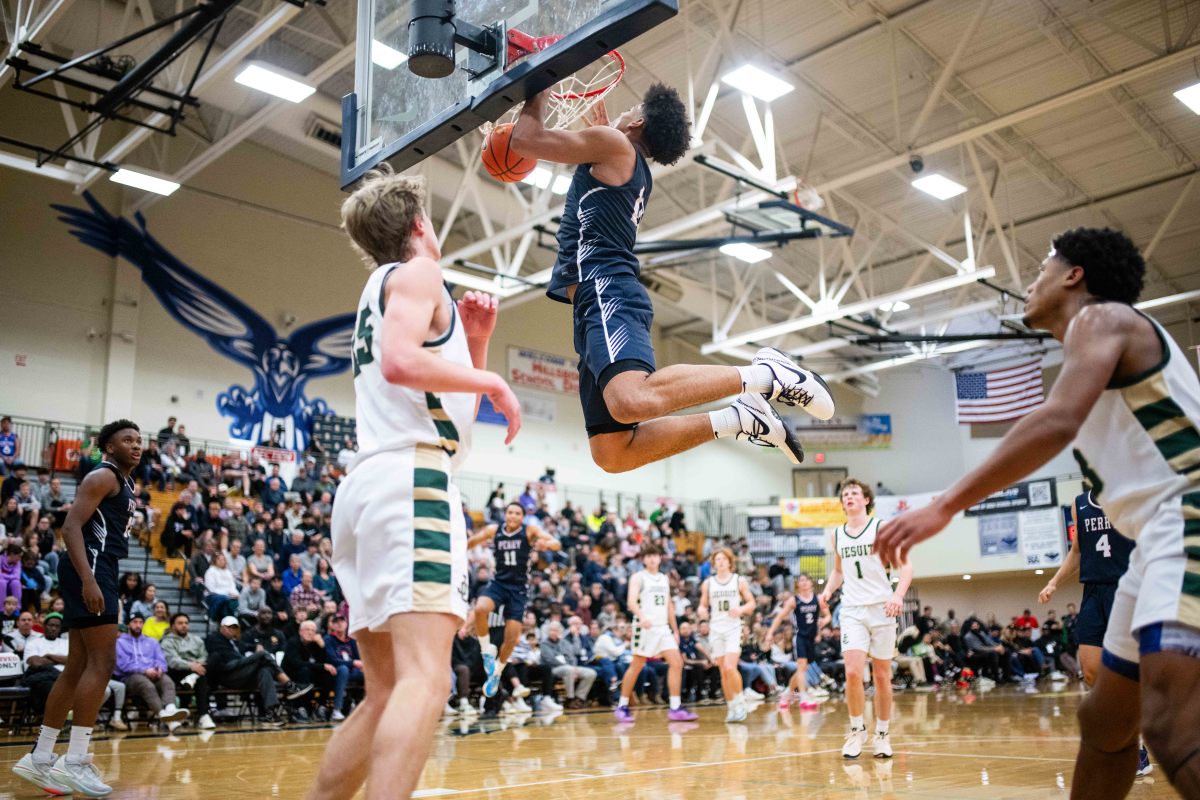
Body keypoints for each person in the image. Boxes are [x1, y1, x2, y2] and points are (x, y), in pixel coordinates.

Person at [877, 228, 1199, 799]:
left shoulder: (1102, 319)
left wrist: (946, 505)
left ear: (1075, 276)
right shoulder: (1095, 341)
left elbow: (1055, 421)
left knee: (1170, 722)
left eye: (1043, 268)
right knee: (1104, 723)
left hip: (1189, 516)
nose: (1032, 281)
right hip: (1154, 540)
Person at [307, 165, 520, 800]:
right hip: (412, 483)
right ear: (420, 225)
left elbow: (438, 399)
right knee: (429, 680)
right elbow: (403, 366)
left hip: (373, 485)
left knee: (384, 692)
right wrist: (496, 381)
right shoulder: (420, 273)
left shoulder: (385, 289)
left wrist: (476, 347)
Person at [510, 85, 833, 475]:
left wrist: (539, 83)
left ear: (638, 121)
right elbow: (583, 153)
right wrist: (597, 130)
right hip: (592, 301)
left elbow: (525, 141)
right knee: (613, 452)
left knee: (633, 401)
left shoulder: (615, 147)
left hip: (606, 289)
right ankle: (740, 420)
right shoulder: (619, 157)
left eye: (629, 109)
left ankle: (769, 374)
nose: (619, 113)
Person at [13, 420, 140, 797]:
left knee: (77, 666)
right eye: (126, 440)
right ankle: (75, 760)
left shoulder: (126, 481)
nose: (135, 445)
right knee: (102, 664)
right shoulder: (102, 476)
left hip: (100, 567)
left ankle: (40, 757)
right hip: (92, 567)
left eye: (138, 440)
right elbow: (70, 528)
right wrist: (88, 580)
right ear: (107, 447)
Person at [820, 478, 912, 759]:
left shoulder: (880, 528)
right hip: (852, 610)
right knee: (852, 672)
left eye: (854, 493)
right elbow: (839, 571)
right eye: (845, 493)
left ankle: (882, 734)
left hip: (882, 609)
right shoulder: (837, 534)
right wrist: (827, 590)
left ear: (866, 500)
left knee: (882, 676)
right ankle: (857, 729)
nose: (849, 496)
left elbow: (905, 566)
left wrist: (897, 596)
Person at [466, 501, 561, 697]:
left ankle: (497, 673)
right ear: (505, 514)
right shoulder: (494, 530)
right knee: (480, 609)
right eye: (510, 512)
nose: (513, 516)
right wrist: (458, 551)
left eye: (517, 513)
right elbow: (473, 541)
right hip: (499, 583)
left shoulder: (529, 530)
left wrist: (548, 544)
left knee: (512, 639)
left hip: (518, 590)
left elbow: (555, 543)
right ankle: (486, 652)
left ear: (522, 517)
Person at [612, 543, 697, 722]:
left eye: (655, 555)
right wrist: (642, 616)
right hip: (645, 627)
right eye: (648, 555)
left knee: (677, 662)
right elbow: (631, 602)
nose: (651, 558)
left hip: (662, 628)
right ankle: (622, 705)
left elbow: (669, 605)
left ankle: (675, 707)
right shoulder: (638, 577)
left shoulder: (663, 578)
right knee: (637, 665)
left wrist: (675, 629)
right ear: (643, 559)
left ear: (660, 558)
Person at [205, 616, 309, 724]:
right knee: (263, 655)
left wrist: (255, 646)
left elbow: (246, 646)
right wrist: (252, 659)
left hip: (240, 674)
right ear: (222, 628)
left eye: (234, 627)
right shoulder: (214, 638)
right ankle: (290, 685)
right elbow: (231, 657)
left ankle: (269, 713)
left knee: (264, 670)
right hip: (228, 674)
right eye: (229, 627)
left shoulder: (234, 642)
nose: (232, 630)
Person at [697, 548, 755, 722]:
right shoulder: (708, 583)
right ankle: (731, 706)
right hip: (716, 628)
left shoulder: (739, 581)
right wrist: (701, 612)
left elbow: (751, 603)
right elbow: (702, 605)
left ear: (730, 562)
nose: (720, 562)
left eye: (723, 559)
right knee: (723, 671)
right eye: (717, 559)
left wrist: (741, 609)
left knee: (730, 667)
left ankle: (740, 701)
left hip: (733, 627)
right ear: (713, 564)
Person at [765, 573, 830, 711]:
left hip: (811, 639)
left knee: (803, 668)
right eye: (801, 580)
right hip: (799, 637)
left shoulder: (818, 599)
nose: (804, 582)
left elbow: (828, 615)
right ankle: (804, 696)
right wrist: (770, 632)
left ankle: (787, 694)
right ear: (798, 584)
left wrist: (824, 621)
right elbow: (779, 617)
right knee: (801, 666)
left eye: (806, 580)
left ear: (811, 583)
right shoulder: (794, 600)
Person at [114, 613, 189, 731]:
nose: (138, 625)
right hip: (130, 677)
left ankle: (170, 709)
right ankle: (162, 714)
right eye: (135, 622)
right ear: (129, 624)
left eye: (140, 622)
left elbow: (161, 660)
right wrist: (144, 670)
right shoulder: (120, 643)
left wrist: (159, 669)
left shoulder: (152, 641)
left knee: (167, 681)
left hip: (153, 673)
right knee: (146, 685)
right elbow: (123, 665)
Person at [160, 613, 215, 729]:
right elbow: (172, 660)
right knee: (201, 676)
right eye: (180, 623)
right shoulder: (167, 641)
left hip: (196, 671)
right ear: (173, 626)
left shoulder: (197, 640)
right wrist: (191, 665)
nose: (184, 626)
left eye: (186, 623)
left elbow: (204, 655)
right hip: (177, 673)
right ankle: (203, 715)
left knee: (215, 659)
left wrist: (197, 665)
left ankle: (203, 715)